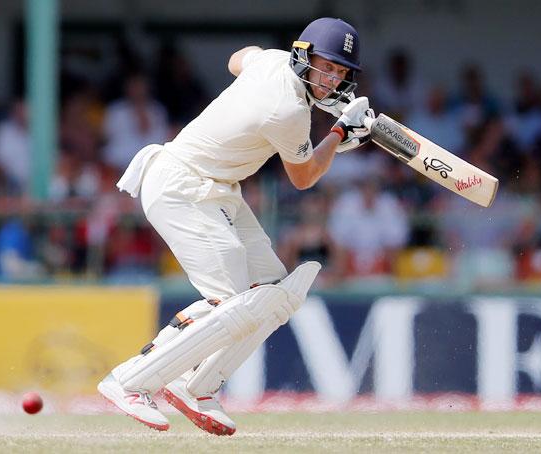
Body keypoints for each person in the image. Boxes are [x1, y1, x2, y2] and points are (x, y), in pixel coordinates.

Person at [97, 18, 375, 435]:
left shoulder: (273, 61)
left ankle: (200, 386)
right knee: (230, 300)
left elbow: (237, 59)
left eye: (339, 72)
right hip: (182, 184)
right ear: (304, 56)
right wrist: (339, 132)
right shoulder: (289, 112)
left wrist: (325, 106)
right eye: (326, 67)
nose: (332, 78)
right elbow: (304, 178)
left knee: (274, 293)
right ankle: (131, 381)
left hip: (217, 188)